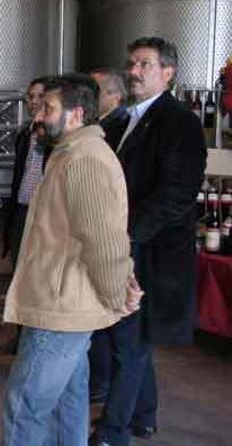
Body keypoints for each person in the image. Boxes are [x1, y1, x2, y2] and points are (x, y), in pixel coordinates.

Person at [0, 74, 143, 446]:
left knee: (25, 405)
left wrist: (117, 294)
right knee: (69, 401)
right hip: (63, 302)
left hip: (61, 309)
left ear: (77, 114)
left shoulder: (84, 159)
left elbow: (103, 240)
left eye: (48, 108)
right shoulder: (69, 153)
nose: (39, 116)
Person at [92, 37, 207, 446]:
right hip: (125, 244)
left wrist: (124, 236)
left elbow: (176, 195)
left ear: (168, 72)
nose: (134, 71)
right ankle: (144, 415)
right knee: (129, 337)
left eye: (143, 64)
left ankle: (112, 431)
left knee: (128, 342)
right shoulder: (121, 121)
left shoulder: (181, 122)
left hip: (149, 251)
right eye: (132, 64)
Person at [0, 76, 51, 356]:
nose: (33, 102)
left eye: (40, 97)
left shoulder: (56, 136)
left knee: (41, 280)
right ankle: (20, 337)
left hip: (47, 218)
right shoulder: (23, 134)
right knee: (19, 277)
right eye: (30, 97)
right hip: (22, 211)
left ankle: (37, 342)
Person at [87, 67, 131, 404]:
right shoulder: (101, 126)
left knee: (113, 326)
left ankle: (101, 385)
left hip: (111, 229)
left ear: (115, 96)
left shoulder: (117, 127)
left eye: (96, 89)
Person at [91, 67, 130, 151]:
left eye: (95, 91)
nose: (88, 97)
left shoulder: (121, 127)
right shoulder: (95, 122)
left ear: (116, 95)